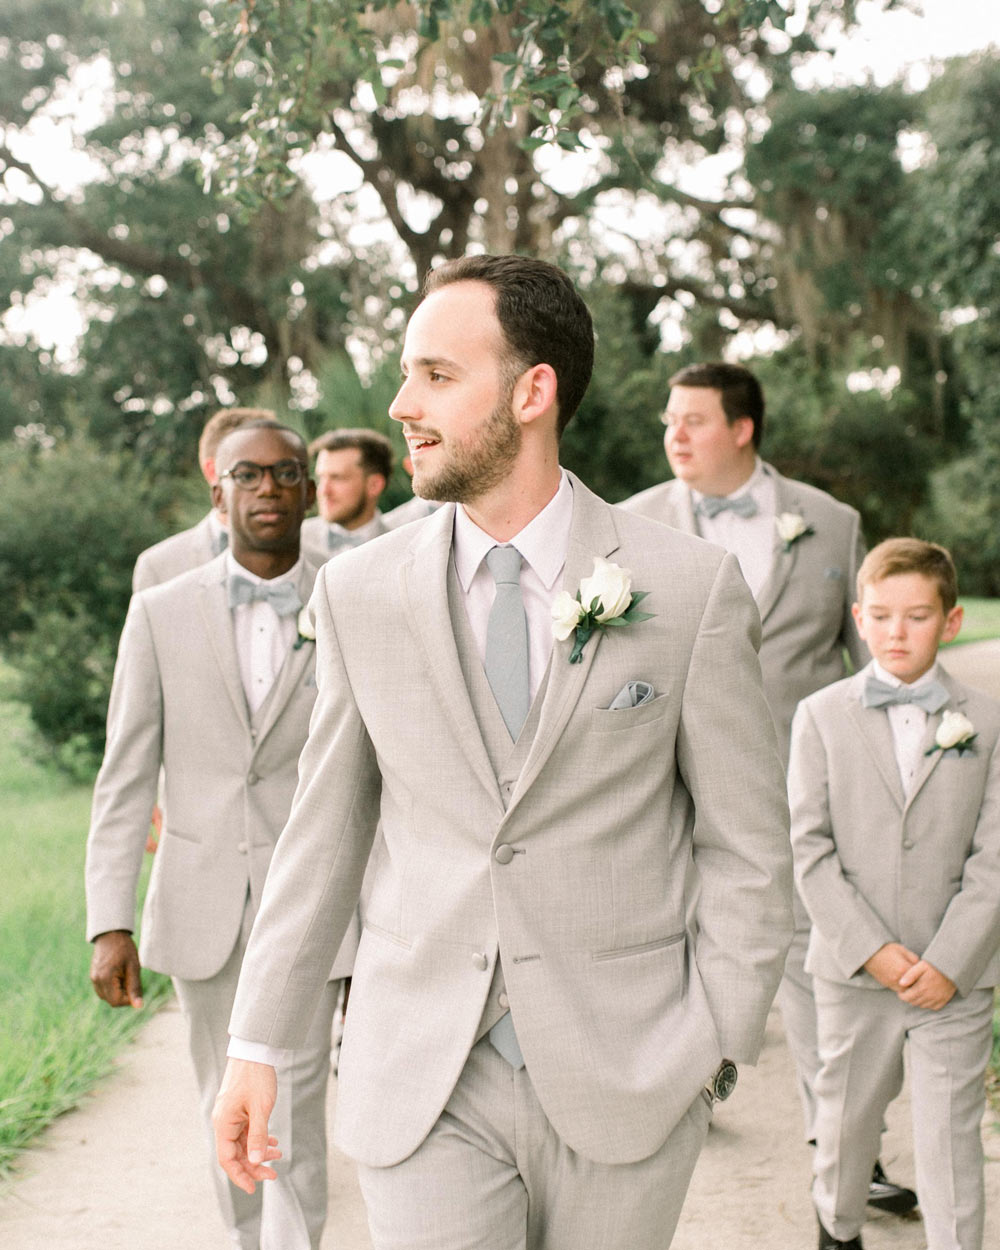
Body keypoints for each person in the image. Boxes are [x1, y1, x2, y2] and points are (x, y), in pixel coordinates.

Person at [212, 254, 793, 1250]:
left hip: (633, 1069)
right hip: (424, 1075)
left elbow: (747, 845)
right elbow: (324, 834)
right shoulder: (360, 592)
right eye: (407, 373)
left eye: (436, 375)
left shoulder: (688, 588)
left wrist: (712, 1035)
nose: (402, 403)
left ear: (533, 390)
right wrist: (257, 1039)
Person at [619, 363, 912, 1214]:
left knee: (812, 965)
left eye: (694, 421)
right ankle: (675, 1098)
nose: (674, 435)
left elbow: (867, 666)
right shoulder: (629, 525)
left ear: (742, 430)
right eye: (669, 420)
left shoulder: (828, 522)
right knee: (662, 953)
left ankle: (848, 1153)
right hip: (661, 790)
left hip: (798, 791)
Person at [86, 421, 347, 1250]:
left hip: (311, 900)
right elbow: (125, 776)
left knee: (299, 1100)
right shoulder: (161, 611)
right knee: (220, 1100)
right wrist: (110, 922)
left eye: (285, 474)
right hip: (199, 901)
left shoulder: (350, 597)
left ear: (308, 490)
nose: (268, 489)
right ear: (218, 491)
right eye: (249, 475)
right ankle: (247, 1240)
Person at [788, 538, 1000, 1250]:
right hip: (855, 971)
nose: (896, 632)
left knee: (950, 1139)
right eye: (881, 616)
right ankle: (838, 1231)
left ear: (951, 620)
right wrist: (874, 952)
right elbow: (810, 851)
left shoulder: (990, 721)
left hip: (955, 978)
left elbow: (994, 859)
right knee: (846, 1129)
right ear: (858, 617)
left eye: (916, 616)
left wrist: (950, 962)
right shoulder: (819, 716)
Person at [132, 406, 275, 591]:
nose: (269, 485)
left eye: (278, 468)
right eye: (249, 472)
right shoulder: (158, 568)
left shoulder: (318, 560)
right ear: (213, 471)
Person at [299, 427, 393, 561]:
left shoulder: (403, 546)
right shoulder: (293, 543)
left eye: (337, 478)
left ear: (374, 485)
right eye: (321, 478)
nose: (323, 491)